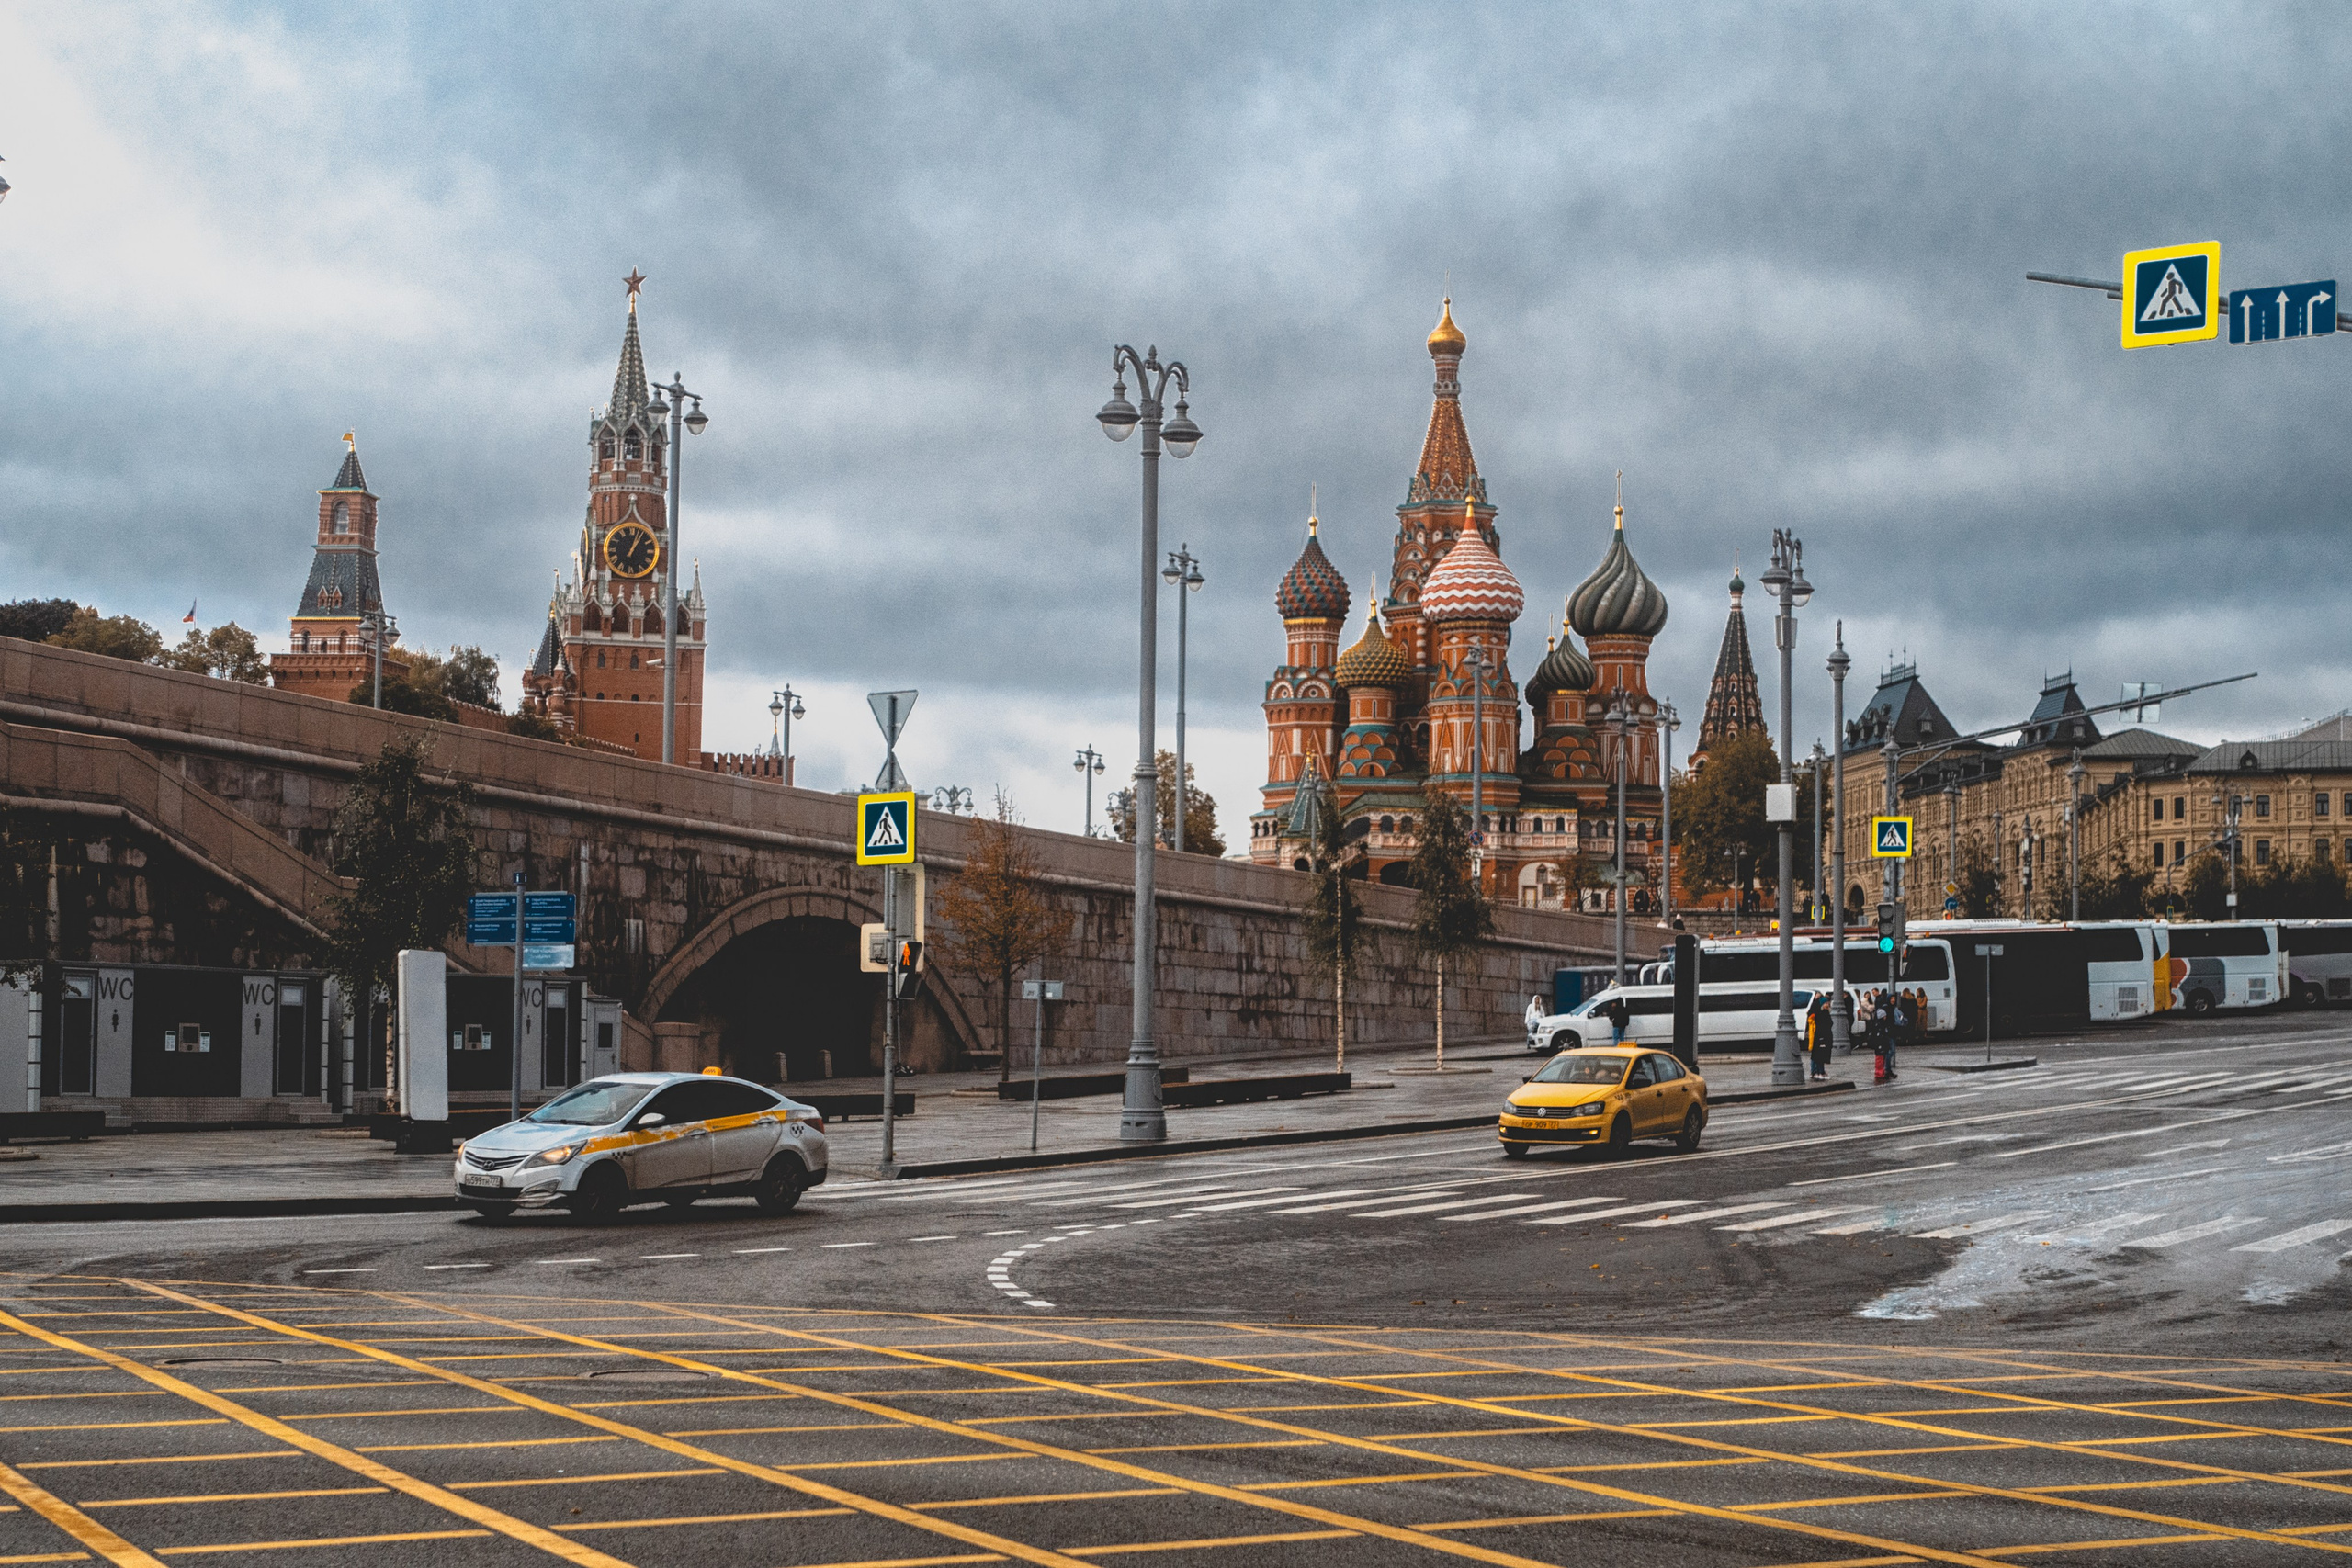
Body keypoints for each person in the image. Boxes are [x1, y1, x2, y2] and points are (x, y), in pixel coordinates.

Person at [1805, 990, 1833, 1080]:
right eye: (1826, 1003)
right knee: (1818, 1054)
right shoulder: (1822, 1013)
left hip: (1819, 1035)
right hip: (1820, 1035)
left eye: (1827, 1003)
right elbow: (1827, 1024)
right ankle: (1817, 1072)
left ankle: (1818, 1072)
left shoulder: (1821, 1012)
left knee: (1818, 1054)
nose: (1827, 1004)